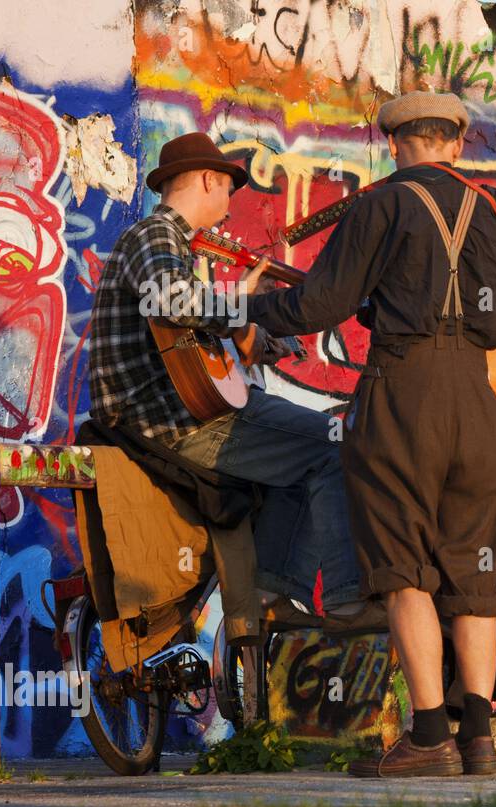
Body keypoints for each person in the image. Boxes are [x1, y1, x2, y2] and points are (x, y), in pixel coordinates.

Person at [244, 90, 496, 777]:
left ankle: (428, 734)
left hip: (402, 395)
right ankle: (478, 734)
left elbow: (317, 304)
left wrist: (249, 307)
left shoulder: (379, 204)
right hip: (480, 406)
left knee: (403, 567)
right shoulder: (493, 204)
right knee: (475, 571)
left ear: (396, 144)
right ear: (455, 142)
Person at [88, 132, 382, 637]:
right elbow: (175, 304)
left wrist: (251, 336)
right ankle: (346, 601)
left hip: (172, 416)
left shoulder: (167, 245)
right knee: (337, 446)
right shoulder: (156, 236)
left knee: (298, 462)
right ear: (208, 180)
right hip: (172, 424)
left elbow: (181, 337)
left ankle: (269, 592)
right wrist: (245, 310)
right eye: (227, 190)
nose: (228, 208)